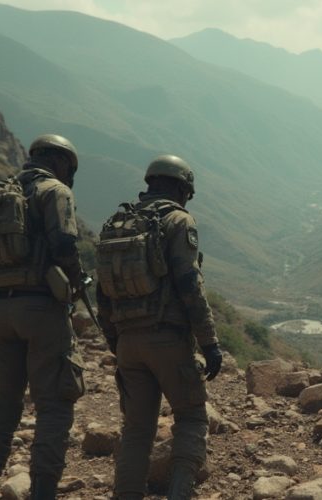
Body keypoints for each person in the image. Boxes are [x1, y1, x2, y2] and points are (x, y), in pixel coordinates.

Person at [95, 155, 222, 499]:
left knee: (137, 431)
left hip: (128, 344)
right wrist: (209, 342)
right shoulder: (178, 221)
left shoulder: (116, 223)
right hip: (167, 338)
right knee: (192, 417)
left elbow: (102, 296)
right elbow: (189, 285)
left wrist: (116, 343)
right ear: (182, 188)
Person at [0, 134, 86, 500]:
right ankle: (43, 492)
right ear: (62, 162)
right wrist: (78, 281)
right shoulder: (54, 191)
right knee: (53, 404)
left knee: (3, 406)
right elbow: (65, 244)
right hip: (40, 309)